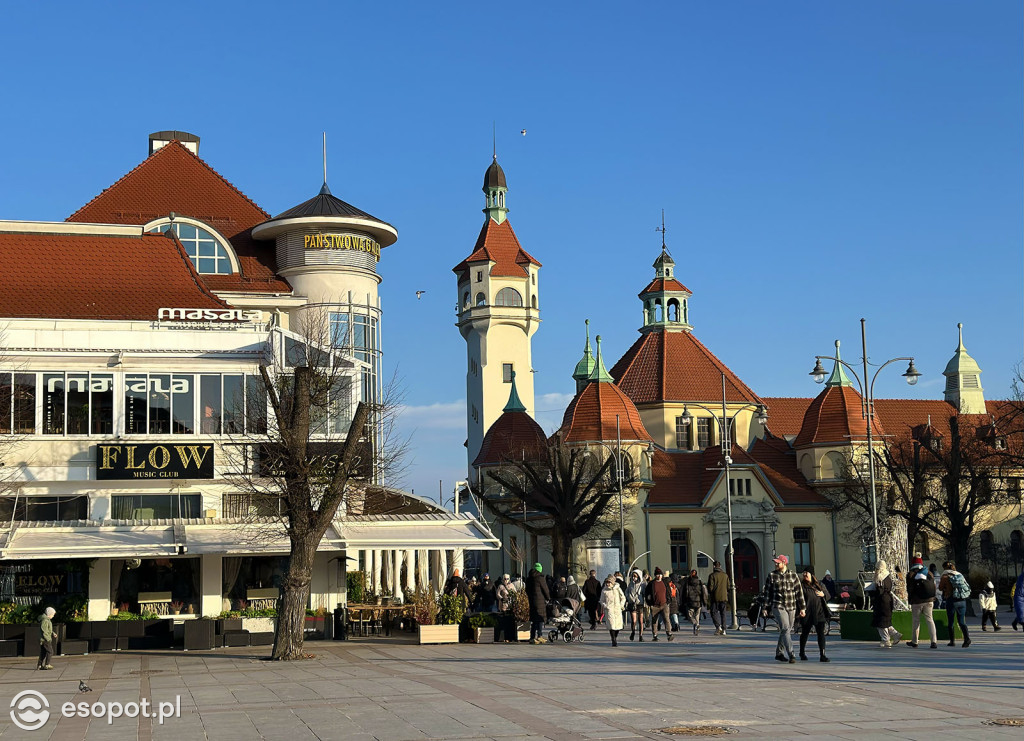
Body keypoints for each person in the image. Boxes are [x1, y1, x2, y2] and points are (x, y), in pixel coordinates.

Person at [760, 554, 806, 663]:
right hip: (778, 606)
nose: (776, 564)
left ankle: (779, 653)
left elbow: (799, 593)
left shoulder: (793, 576)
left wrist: (802, 608)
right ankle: (791, 654)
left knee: (787, 630)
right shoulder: (772, 576)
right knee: (785, 628)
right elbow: (767, 593)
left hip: (791, 606)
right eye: (775, 562)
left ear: (784, 563)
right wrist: (765, 607)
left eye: (778, 562)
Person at [798, 571, 830, 662]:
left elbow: (828, 595)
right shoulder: (802, 586)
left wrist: (823, 594)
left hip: (819, 613)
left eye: (806, 573)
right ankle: (802, 652)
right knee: (805, 633)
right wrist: (801, 609)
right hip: (807, 613)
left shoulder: (819, 584)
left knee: (821, 634)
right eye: (803, 573)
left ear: (812, 575)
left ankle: (822, 655)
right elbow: (798, 598)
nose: (804, 575)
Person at [906, 557, 938, 649]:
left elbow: (910, 588)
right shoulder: (929, 573)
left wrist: (910, 599)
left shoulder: (911, 574)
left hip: (917, 601)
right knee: (930, 620)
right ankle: (934, 642)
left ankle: (915, 641)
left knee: (916, 621)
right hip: (929, 600)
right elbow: (934, 586)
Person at [938, 561, 971, 648]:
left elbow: (940, 588)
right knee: (961, 622)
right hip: (962, 600)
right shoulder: (959, 575)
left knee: (951, 622)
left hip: (951, 600)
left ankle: (952, 641)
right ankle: (967, 639)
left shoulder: (945, 576)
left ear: (945, 568)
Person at [871, 559, 902, 648]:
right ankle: (896, 634)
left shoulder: (880, 577)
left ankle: (885, 640)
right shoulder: (888, 576)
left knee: (881, 621)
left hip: (881, 601)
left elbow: (879, 591)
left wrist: (871, 592)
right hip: (888, 600)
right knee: (886, 620)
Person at [644, 567, 675, 641]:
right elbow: (647, 594)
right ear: (655, 575)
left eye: (660, 574)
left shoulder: (664, 582)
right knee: (654, 621)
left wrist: (668, 601)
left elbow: (668, 592)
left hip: (664, 604)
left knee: (667, 619)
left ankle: (669, 634)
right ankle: (655, 635)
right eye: (657, 575)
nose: (659, 576)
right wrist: (650, 603)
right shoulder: (651, 584)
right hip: (655, 605)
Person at [525, 563, 550, 644]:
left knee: (534, 620)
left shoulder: (529, 578)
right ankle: (539, 636)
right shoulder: (540, 578)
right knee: (540, 619)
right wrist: (548, 598)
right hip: (540, 601)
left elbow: (526, 590)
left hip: (532, 601)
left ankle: (532, 637)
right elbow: (545, 589)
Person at [599, 576, 626, 646]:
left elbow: (623, 597)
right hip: (609, 610)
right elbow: (601, 600)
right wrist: (605, 606)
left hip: (617, 609)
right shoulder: (604, 590)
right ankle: (613, 639)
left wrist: (621, 605)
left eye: (609, 582)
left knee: (618, 626)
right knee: (611, 626)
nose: (607, 584)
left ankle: (615, 636)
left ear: (612, 583)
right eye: (607, 582)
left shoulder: (617, 589)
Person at [706, 561, 730, 636]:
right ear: (720, 566)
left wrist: (710, 592)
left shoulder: (712, 575)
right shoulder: (725, 575)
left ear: (714, 566)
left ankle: (718, 626)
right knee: (723, 613)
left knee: (713, 612)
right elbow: (728, 587)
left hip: (715, 597)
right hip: (724, 597)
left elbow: (710, 587)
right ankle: (724, 629)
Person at [681, 569, 706, 636]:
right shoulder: (699, 582)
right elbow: (703, 592)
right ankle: (697, 626)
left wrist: (684, 600)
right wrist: (704, 601)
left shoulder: (688, 582)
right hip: (698, 601)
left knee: (690, 615)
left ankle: (695, 624)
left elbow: (685, 592)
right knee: (697, 615)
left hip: (690, 601)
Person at [626, 569, 646, 641]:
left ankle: (641, 635)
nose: (634, 578)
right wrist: (629, 598)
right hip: (632, 603)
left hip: (639, 603)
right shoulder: (630, 584)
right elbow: (627, 592)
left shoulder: (643, 584)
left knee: (641, 621)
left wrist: (642, 600)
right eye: (633, 576)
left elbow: (644, 593)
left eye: (635, 576)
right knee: (634, 620)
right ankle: (633, 632)